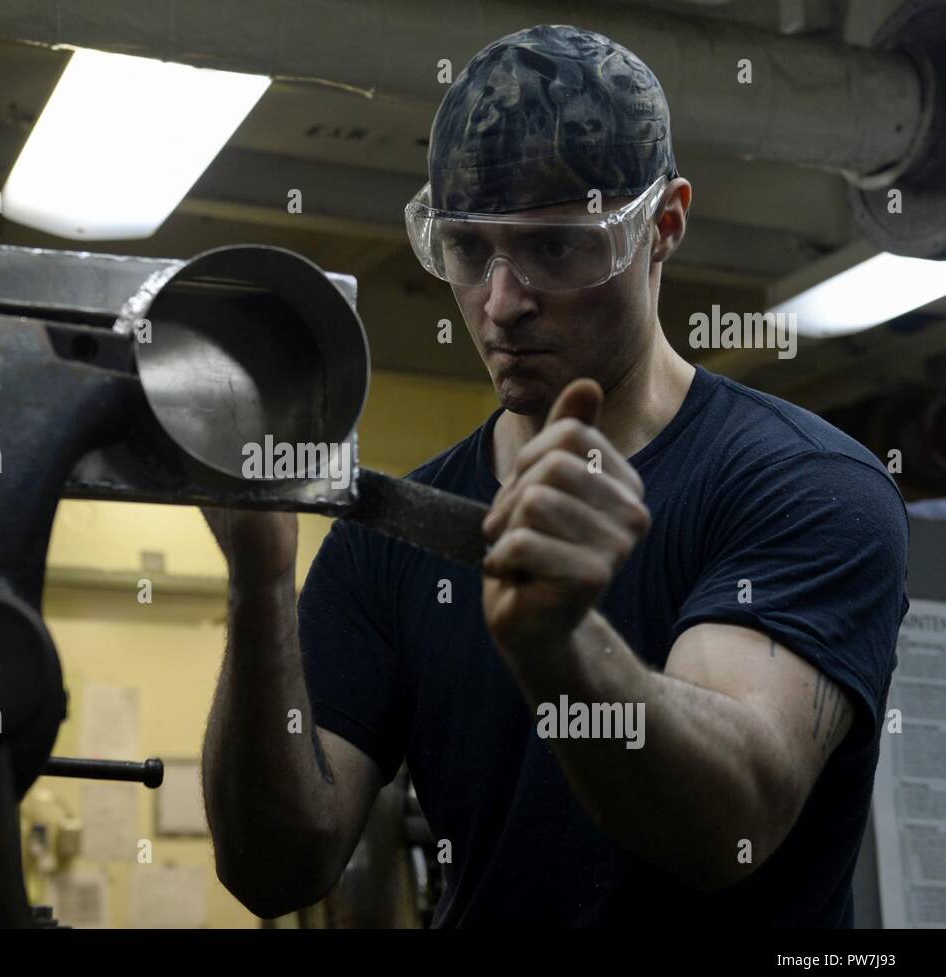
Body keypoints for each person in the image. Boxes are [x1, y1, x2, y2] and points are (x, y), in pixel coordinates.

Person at [200, 24, 909, 927]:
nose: (500, 303)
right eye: (468, 250)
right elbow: (275, 871)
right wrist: (258, 579)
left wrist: (557, 646)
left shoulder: (802, 485)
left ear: (665, 226)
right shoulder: (391, 540)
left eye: (557, 247)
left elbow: (729, 826)